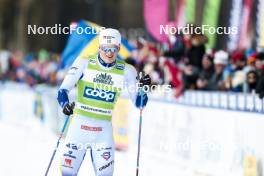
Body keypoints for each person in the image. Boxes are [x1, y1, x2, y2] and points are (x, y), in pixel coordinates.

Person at [57, 28, 151, 176]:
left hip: (103, 133)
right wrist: (65, 106)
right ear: (99, 47)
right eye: (106, 48)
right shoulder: (84, 63)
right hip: (78, 129)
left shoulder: (127, 70)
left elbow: (140, 104)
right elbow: (63, 90)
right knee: (67, 172)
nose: (109, 53)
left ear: (119, 48)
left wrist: (143, 88)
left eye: (113, 49)